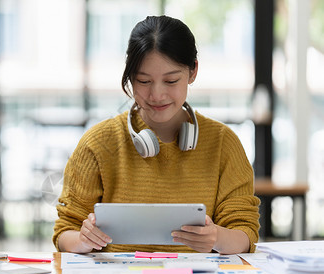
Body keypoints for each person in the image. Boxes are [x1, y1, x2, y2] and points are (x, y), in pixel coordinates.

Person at [52, 15, 260, 254]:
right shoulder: (98, 144)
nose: (157, 95)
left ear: (193, 72)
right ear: (130, 76)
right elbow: (65, 231)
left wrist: (217, 238)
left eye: (171, 80)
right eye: (144, 80)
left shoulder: (224, 144)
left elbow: (245, 235)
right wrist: (83, 240)